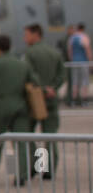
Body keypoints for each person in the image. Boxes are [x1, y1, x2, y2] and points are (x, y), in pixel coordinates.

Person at [0, 34, 40, 185]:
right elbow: (34, 81)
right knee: (20, 142)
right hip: (20, 106)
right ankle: (21, 175)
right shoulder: (22, 64)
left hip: (0, 107)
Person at [23, 23, 63, 179]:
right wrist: (53, 88)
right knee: (50, 136)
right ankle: (49, 169)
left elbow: (30, 73)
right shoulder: (55, 53)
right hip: (52, 101)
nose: (25, 38)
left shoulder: (30, 53)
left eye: (27, 35)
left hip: (35, 100)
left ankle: (37, 163)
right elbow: (62, 74)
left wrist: (43, 88)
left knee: (27, 134)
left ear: (35, 34)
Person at [70, 23, 90, 106]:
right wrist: (90, 60)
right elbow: (87, 49)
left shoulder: (72, 38)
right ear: (83, 29)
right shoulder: (84, 37)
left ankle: (74, 101)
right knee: (84, 81)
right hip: (83, 62)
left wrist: (72, 60)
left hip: (74, 62)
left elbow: (70, 51)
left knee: (75, 82)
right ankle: (84, 101)